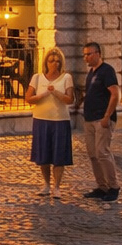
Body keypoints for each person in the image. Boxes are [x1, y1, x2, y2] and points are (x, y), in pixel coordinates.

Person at [73, 42, 120, 202]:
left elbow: (115, 94)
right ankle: (102, 186)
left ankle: (114, 186)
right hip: (89, 118)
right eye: (84, 54)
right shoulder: (91, 73)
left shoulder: (107, 71)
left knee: (102, 152)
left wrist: (107, 116)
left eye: (89, 54)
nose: (86, 57)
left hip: (102, 118)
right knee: (93, 154)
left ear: (98, 53)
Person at [25, 47, 74, 198]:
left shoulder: (66, 78)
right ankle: (46, 184)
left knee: (59, 155)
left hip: (60, 120)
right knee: (43, 154)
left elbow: (70, 99)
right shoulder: (37, 78)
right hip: (41, 119)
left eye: (58, 61)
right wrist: (44, 94)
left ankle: (57, 186)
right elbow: (28, 98)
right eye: (51, 61)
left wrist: (56, 92)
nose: (54, 64)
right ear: (46, 62)